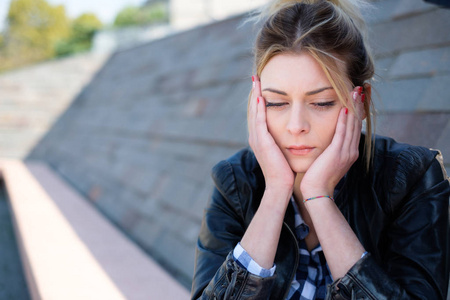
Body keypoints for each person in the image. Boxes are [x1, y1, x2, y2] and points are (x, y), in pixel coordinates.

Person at [191, 0, 450, 299]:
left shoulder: (411, 178)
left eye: (322, 102)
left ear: (360, 102)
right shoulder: (234, 183)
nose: (296, 125)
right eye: (277, 102)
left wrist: (319, 199)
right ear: (257, 103)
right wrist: (276, 191)